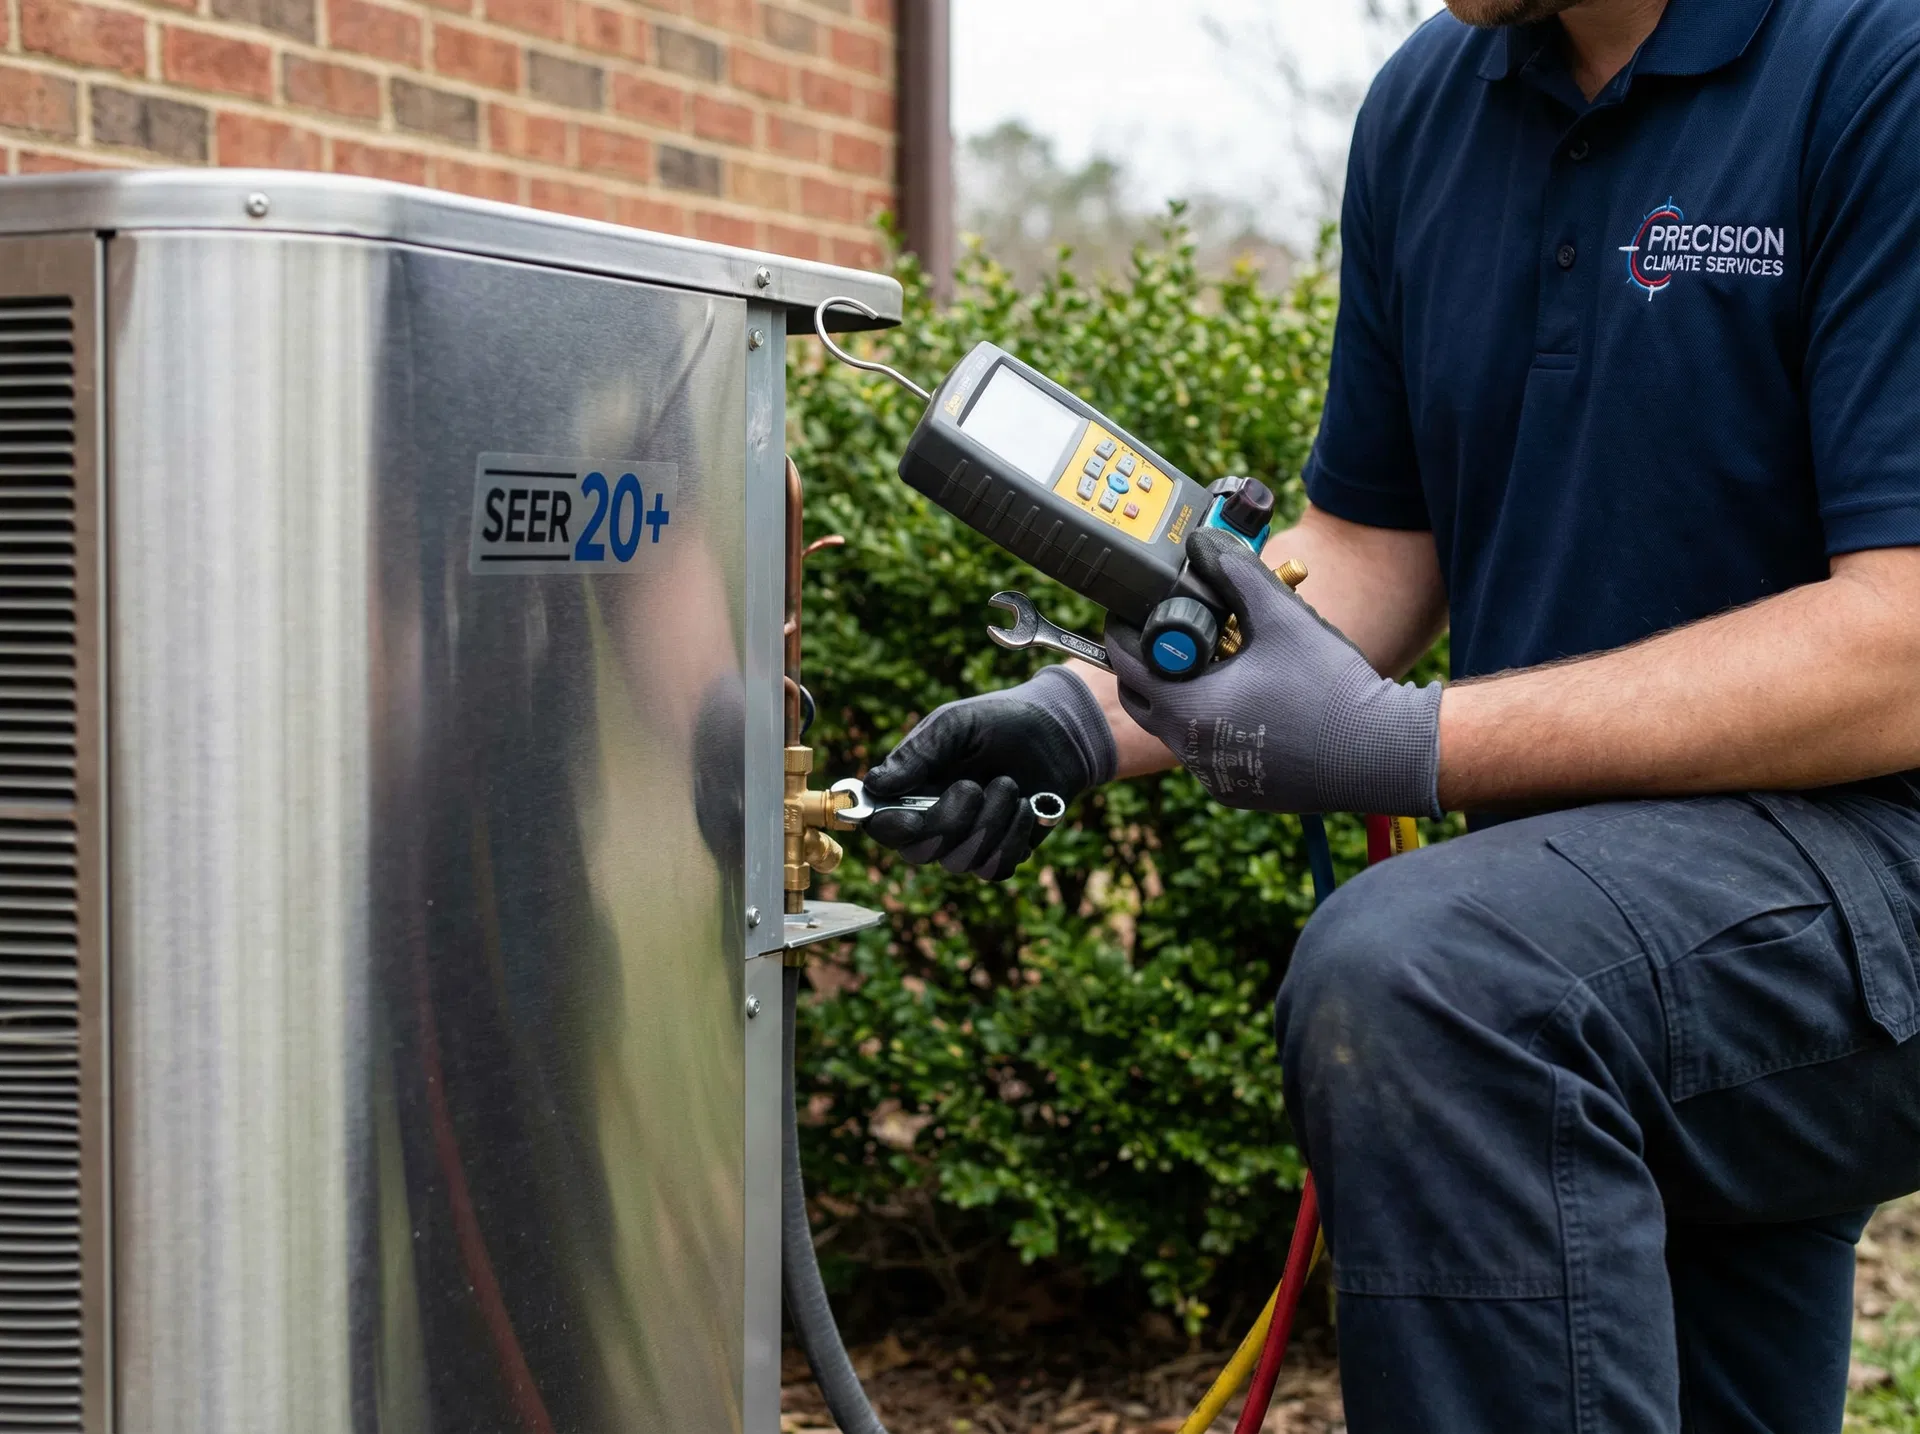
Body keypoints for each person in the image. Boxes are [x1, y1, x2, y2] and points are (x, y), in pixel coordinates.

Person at [858, 0, 1920, 1428]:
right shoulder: (1430, 105)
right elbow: (1366, 550)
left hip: (1876, 875)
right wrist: (1089, 714)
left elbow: (1899, 640)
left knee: (1428, 981)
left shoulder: (1877, 59)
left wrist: (1409, 742)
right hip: (1599, 911)